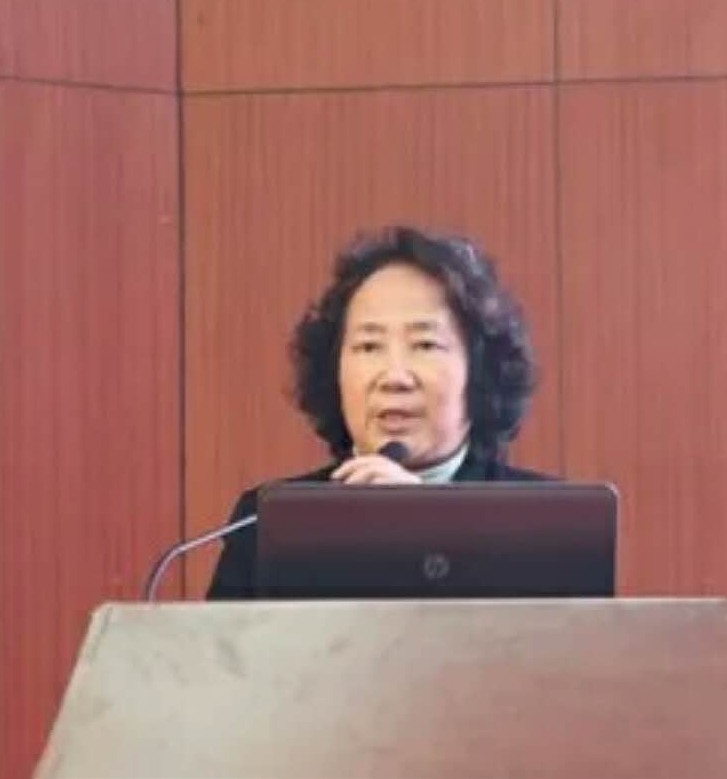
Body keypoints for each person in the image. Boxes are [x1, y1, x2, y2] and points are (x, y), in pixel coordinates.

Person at [206, 225, 553, 600]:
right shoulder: (270, 524)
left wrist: (427, 526)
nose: (394, 377)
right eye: (369, 347)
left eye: (425, 344)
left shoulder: (545, 525)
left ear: (480, 372)